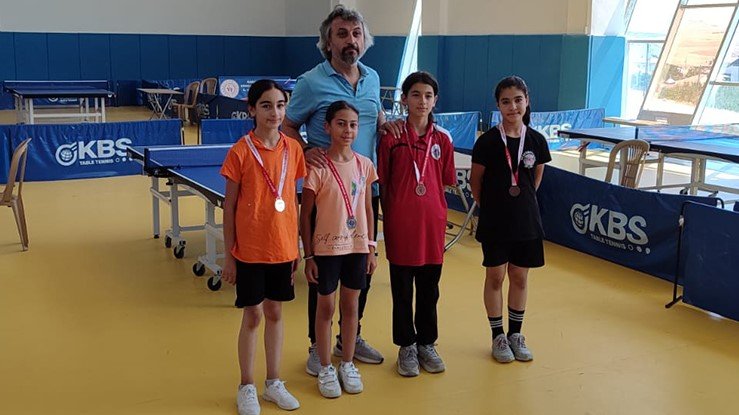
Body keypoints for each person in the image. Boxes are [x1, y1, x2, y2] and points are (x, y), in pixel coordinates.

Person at [283, 3, 397, 375]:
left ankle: (350, 336)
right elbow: (288, 126)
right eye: (342, 34)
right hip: (328, 193)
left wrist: (385, 124)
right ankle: (316, 346)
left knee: (361, 270)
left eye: (356, 34)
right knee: (323, 273)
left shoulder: (373, 77)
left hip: (365, 191)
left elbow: (373, 115)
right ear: (328, 42)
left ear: (364, 40)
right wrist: (306, 151)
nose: (351, 40)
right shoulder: (310, 82)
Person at [220, 80, 306, 415]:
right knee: (253, 314)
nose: (275, 112)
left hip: (282, 248)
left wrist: (295, 245)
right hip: (250, 250)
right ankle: (246, 385)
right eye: (267, 105)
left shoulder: (293, 149)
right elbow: (229, 206)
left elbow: (292, 201)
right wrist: (229, 256)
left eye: (280, 105)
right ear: (251, 109)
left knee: (275, 312)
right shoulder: (240, 151)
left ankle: (273, 383)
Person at [377, 71, 456, 377]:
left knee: (429, 289)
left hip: (432, 225)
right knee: (401, 290)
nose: (422, 101)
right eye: (415, 95)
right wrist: (391, 214)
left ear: (435, 100)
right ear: (404, 99)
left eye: (428, 96)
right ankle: (406, 345)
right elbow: (383, 182)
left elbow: (444, 181)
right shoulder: (391, 137)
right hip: (400, 224)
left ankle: (426, 343)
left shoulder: (443, 139)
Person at [469, 76, 551, 364]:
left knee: (519, 276)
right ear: (498, 105)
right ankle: (498, 336)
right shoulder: (488, 142)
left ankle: (516, 334)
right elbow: (475, 182)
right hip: (495, 222)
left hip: (526, 220)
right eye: (506, 101)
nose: (512, 107)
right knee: (495, 276)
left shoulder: (537, 141)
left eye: (518, 100)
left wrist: (520, 203)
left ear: (527, 101)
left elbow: (535, 179)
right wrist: (492, 208)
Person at [300, 100, 378, 398]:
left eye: (353, 125)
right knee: (326, 308)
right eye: (341, 123)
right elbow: (305, 215)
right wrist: (308, 255)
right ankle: (324, 366)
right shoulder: (317, 167)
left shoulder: (364, 165)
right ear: (327, 127)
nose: (348, 130)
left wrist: (370, 247)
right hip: (326, 250)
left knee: (351, 307)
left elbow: (368, 208)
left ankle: (346, 363)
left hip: (356, 248)